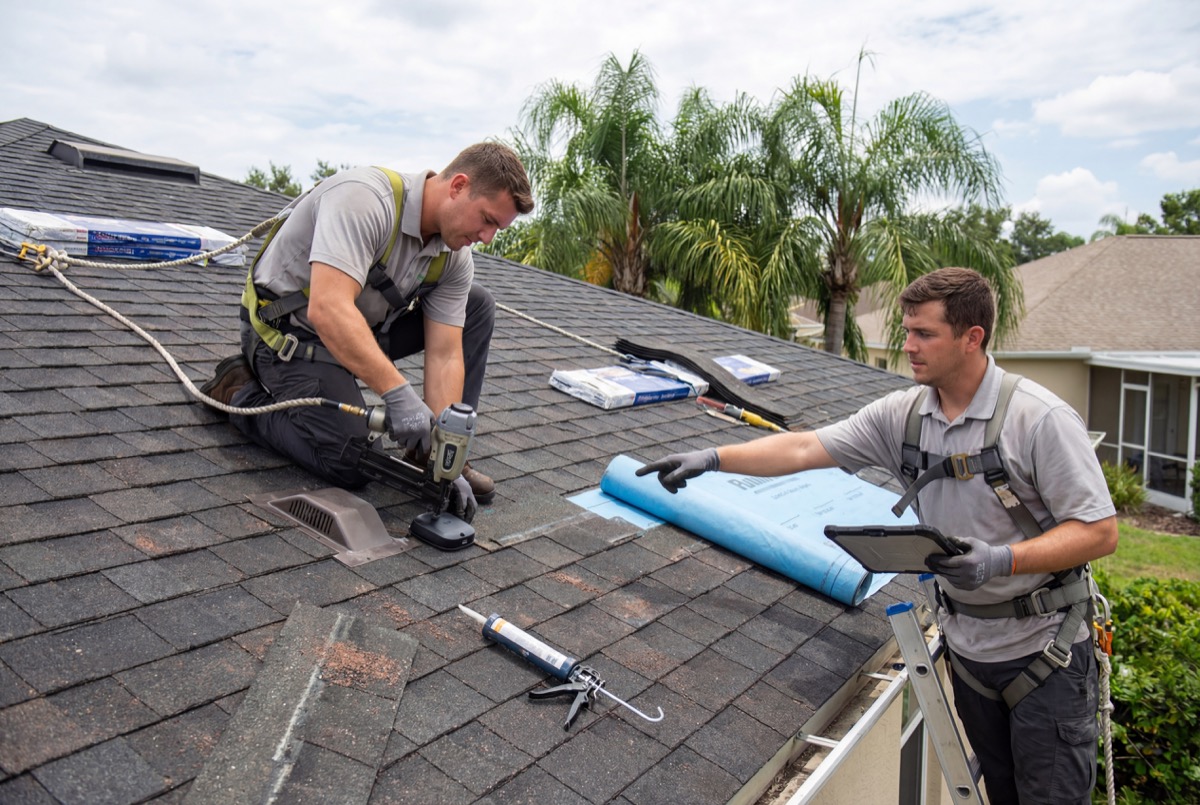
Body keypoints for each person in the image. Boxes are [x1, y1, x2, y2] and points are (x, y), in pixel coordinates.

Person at [637, 267, 1117, 804]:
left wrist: (1000, 560)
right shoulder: (904, 417)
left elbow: (1099, 532)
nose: (907, 346)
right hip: (969, 654)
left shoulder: (1037, 419)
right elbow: (803, 449)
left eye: (924, 334)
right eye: (907, 330)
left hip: (1044, 652)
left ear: (972, 337)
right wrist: (713, 457)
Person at [201, 142, 533, 520]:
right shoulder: (365, 200)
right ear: (458, 186)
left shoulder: (454, 257)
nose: (488, 237)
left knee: (478, 305)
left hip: (360, 331)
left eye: (498, 228)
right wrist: (398, 394)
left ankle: (426, 452)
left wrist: (444, 451)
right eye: (487, 220)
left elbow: (445, 353)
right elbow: (328, 308)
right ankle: (239, 391)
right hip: (288, 336)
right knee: (348, 460)